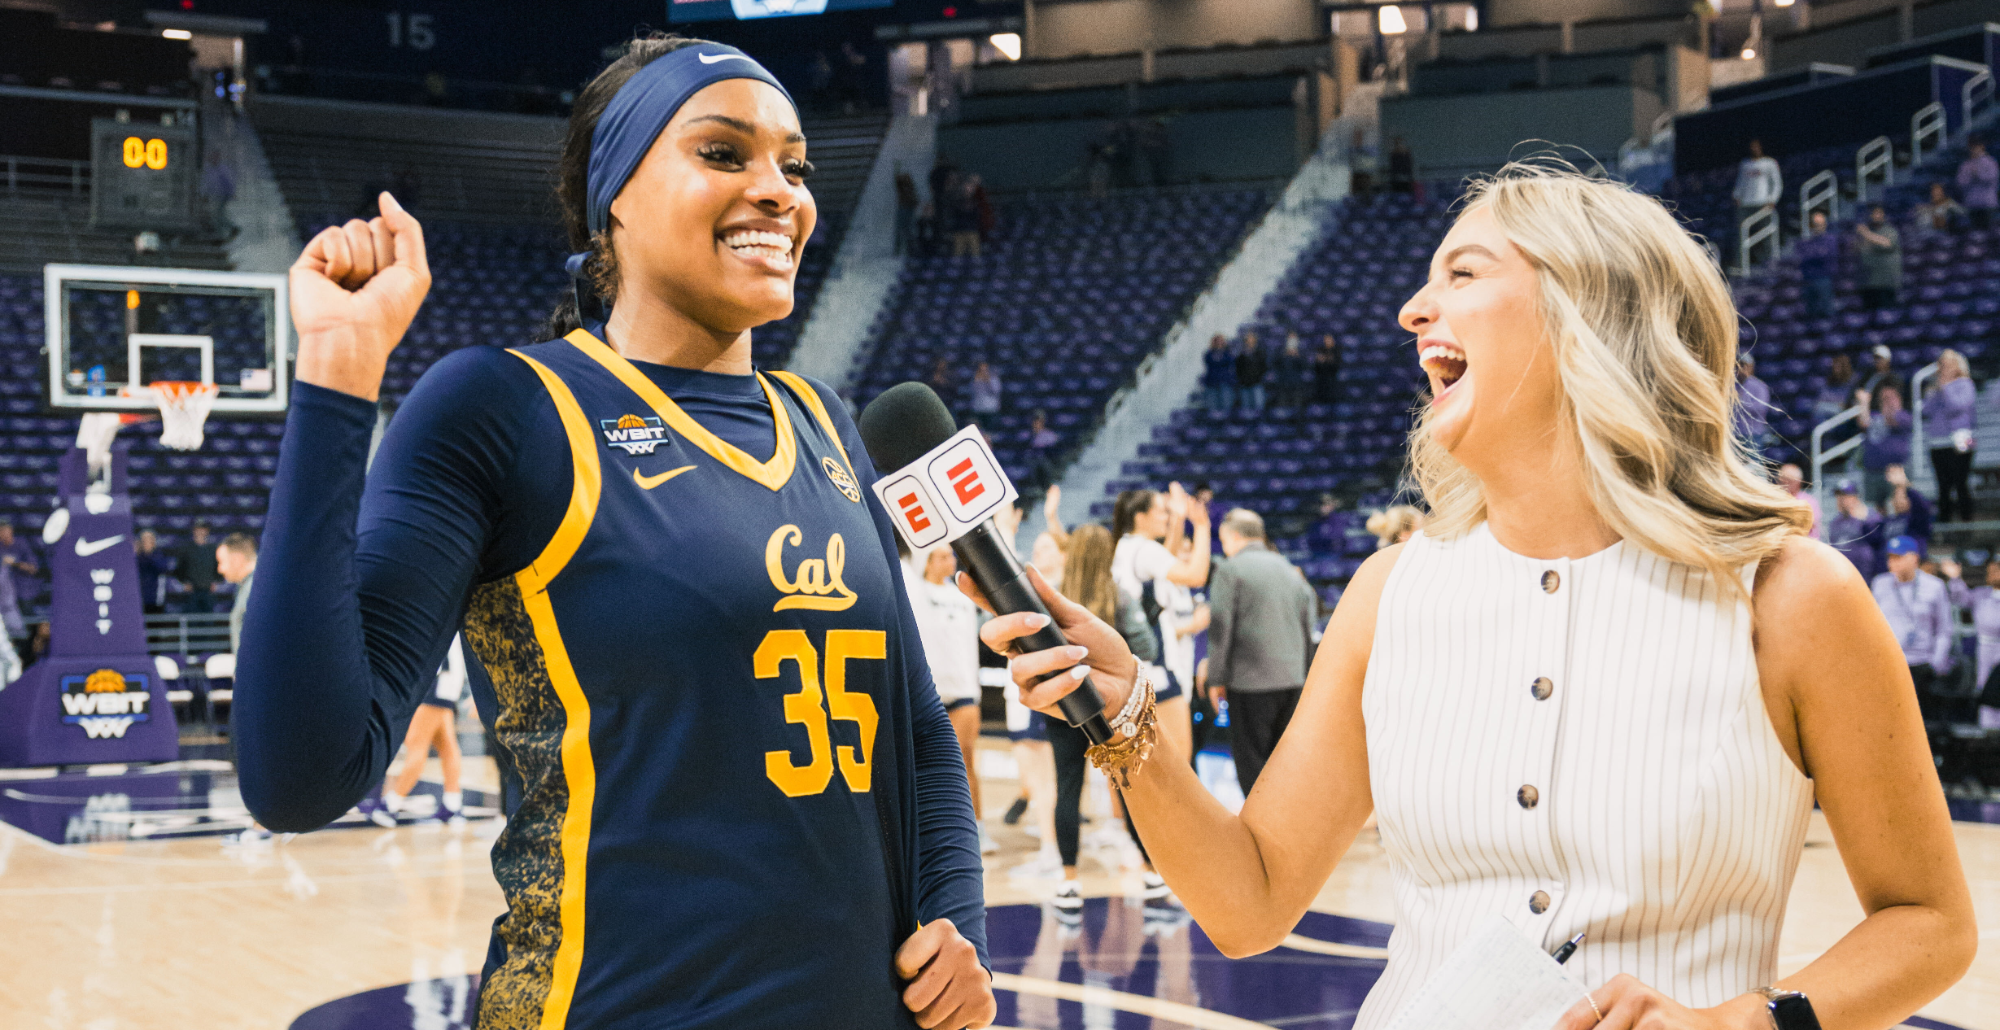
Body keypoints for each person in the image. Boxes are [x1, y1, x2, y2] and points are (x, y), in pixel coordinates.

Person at [973, 163, 1975, 1028]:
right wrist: (1125, 719)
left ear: (1589, 309)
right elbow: (1250, 903)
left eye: (1459, 274)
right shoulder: (1386, 595)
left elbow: (1929, 921)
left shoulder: (1792, 597)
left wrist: (1748, 1020)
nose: (1413, 309)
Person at [233, 34, 992, 1030]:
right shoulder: (504, 407)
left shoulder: (827, 424)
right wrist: (336, 374)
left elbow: (917, 730)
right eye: (723, 154)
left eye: (794, 165)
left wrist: (954, 923)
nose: (778, 191)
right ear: (613, 200)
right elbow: (298, 773)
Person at [1046, 523, 1161, 914]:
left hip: (1061, 706)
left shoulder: (1051, 600)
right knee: (1128, 786)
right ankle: (1149, 871)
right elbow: (1147, 646)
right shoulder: (1120, 596)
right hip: (1110, 708)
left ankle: (1068, 880)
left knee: (1066, 789)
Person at [1204, 509, 1314, 793]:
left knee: (1252, 763)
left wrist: (1215, 678)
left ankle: (1258, 832)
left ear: (1234, 536)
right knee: (1284, 762)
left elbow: (1220, 629)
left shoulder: (1230, 569)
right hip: (1292, 679)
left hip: (1251, 683)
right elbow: (1308, 624)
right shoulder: (1289, 569)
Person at [1110, 485, 1208, 791]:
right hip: (1157, 667)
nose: (1166, 517)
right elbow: (1195, 575)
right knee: (1179, 762)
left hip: (1136, 665)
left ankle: (1137, 833)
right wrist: (1202, 526)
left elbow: (1165, 558)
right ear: (1141, 516)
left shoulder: (1126, 546)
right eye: (1162, 511)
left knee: (1144, 762)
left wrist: (1178, 521)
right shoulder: (1144, 550)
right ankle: (1179, 836)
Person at [901, 542, 991, 854]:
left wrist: (975, 692)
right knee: (924, 764)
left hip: (964, 691)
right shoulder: (915, 593)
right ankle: (929, 830)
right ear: (926, 563)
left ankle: (977, 828)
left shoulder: (962, 597)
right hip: (929, 693)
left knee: (966, 761)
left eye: (951, 555)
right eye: (941, 556)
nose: (949, 560)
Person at [361, 634, 470, 827]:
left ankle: (391, 806)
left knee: (417, 745)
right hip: (448, 682)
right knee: (447, 747)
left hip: (438, 681)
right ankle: (453, 805)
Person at [1873, 535, 1957, 725]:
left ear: (1914, 559)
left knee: (1925, 722)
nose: (1892, 562)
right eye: (1890, 557)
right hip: (1892, 664)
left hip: (1923, 664)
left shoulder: (1934, 586)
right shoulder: (1880, 584)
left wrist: (1936, 663)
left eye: (1899, 557)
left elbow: (1944, 629)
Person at [1944, 556, 2000, 728]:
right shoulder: (1981, 594)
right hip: (1985, 650)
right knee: (1986, 691)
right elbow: (1961, 599)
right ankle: (1988, 731)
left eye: (1997, 569)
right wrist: (1955, 578)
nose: (1992, 573)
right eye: (1991, 570)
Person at [1924, 347, 1977, 523]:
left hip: (1963, 437)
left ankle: (1966, 518)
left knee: (1961, 481)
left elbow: (1957, 407)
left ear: (1956, 366)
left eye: (1946, 365)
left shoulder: (1965, 384)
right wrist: (1934, 392)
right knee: (1943, 485)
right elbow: (1927, 410)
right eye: (1941, 364)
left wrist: (1945, 388)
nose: (1943, 368)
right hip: (1938, 441)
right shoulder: (1936, 387)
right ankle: (1945, 519)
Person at [1858, 382, 1912, 509]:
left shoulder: (1904, 416)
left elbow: (1891, 420)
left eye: (1889, 397)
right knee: (1877, 509)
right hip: (1873, 470)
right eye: (1883, 398)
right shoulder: (1875, 416)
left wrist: (1889, 406)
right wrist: (1864, 403)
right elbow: (1863, 423)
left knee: (1899, 505)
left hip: (1895, 470)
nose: (1886, 401)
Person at [1826, 480, 1886, 580]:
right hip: (1842, 574)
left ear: (1855, 497)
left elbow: (1879, 542)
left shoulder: (1869, 515)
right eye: (1838, 496)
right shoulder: (1835, 522)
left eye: (1844, 496)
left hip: (1866, 574)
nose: (1840, 500)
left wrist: (1864, 521)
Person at [1855, 205, 1902, 310]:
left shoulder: (1890, 231)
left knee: (1886, 316)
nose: (1876, 216)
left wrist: (1866, 233)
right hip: (1868, 283)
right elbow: (1856, 249)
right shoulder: (1866, 233)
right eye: (1874, 213)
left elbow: (1886, 243)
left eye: (1879, 213)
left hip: (1886, 283)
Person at [1795, 209, 1839, 319]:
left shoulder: (1830, 239)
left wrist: (1813, 253)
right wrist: (1815, 252)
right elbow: (1802, 256)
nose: (1818, 227)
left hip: (1824, 279)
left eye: (1821, 224)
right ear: (1811, 225)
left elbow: (1824, 255)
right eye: (1815, 224)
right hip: (1808, 280)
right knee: (1810, 312)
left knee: (1827, 310)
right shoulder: (1807, 241)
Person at [1732, 138, 1782, 235]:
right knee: (1741, 233)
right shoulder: (1745, 164)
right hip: (1746, 203)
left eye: (1756, 146)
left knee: (1766, 232)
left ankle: (1768, 250)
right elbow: (1740, 181)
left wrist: (1773, 200)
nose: (1754, 149)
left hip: (1763, 203)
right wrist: (1736, 195)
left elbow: (1776, 183)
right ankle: (1741, 251)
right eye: (1752, 146)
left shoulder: (1770, 163)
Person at [217, 532, 257, 653]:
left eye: (221, 562)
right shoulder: (246, 586)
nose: (220, 569)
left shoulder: (260, 588)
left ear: (237, 559)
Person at [1879, 464, 1933, 549]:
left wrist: (1904, 483)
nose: (1900, 501)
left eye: (1903, 497)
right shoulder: (1888, 521)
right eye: (1896, 497)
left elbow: (1922, 506)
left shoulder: (1917, 520)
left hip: (1912, 556)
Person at [174, 522, 218, 613]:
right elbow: (179, 569)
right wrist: (184, 582)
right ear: (194, 531)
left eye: (203, 529)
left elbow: (218, 566)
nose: (201, 532)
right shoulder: (186, 549)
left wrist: (216, 581)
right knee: (192, 618)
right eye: (198, 529)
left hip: (208, 589)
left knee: (208, 619)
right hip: (192, 590)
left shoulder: (213, 549)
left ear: (207, 531)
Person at [0, 521, 41, 617]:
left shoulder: (22, 545)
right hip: (4, 594)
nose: (2, 533)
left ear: (11, 530)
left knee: (26, 618)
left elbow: (33, 568)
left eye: (4, 530)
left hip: (23, 592)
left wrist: (15, 563)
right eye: (0, 531)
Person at [1957, 138, 1997, 230]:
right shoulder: (1966, 165)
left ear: (1982, 147)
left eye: (1976, 147)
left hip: (1987, 204)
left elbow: (1991, 179)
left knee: (1989, 233)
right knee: (1975, 235)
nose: (1973, 149)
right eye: (1972, 147)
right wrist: (1970, 176)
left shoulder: (1990, 162)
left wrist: (1978, 174)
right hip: (1972, 204)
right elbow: (1960, 183)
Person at [1735, 355, 1774, 449]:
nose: (1742, 369)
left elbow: (1761, 408)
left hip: (1753, 433)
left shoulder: (1759, 386)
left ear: (1751, 367)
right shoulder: (1732, 384)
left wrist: (1740, 401)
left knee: (1753, 462)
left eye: (1745, 366)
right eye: (1740, 366)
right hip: (1734, 433)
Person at [1776, 463, 1819, 536]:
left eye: (1788, 480)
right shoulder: (1776, 499)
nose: (1784, 484)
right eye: (1781, 480)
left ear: (1798, 482)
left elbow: (1809, 524)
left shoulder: (1808, 501)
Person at [134, 529, 169, 614]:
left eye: (149, 539)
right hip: (138, 597)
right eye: (144, 540)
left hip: (155, 599)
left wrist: (148, 554)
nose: (147, 542)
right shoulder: (137, 557)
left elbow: (161, 568)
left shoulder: (159, 555)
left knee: (155, 623)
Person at [1272, 333, 1309, 410]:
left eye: (1293, 339)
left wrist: (1297, 356)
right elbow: (1274, 364)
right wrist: (1284, 355)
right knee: (1282, 407)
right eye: (1290, 339)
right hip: (1283, 383)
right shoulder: (1280, 351)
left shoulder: (1301, 352)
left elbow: (1305, 366)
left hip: (1296, 384)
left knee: (1297, 406)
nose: (1291, 341)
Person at [1233, 331, 1267, 413]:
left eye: (1251, 340)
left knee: (1259, 408)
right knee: (1246, 409)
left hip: (1256, 383)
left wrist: (1258, 377)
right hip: (1244, 384)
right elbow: (1238, 368)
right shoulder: (1241, 355)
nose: (1249, 342)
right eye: (1248, 340)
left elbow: (1264, 367)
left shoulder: (1260, 353)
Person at [1202, 334, 1235, 412]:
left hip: (1225, 382)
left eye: (1221, 341)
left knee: (1226, 404)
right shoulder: (1208, 354)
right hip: (1212, 382)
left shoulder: (1228, 353)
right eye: (1217, 341)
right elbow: (1209, 363)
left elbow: (1229, 362)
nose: (1219, 343)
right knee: (1212, 405)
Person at [893, 168, 919, 255]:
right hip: (904, 209)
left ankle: (906, 249)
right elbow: (897, 179)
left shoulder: (910, 189)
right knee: (902, 231)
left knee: (906, 231)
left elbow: (915, 201)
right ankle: (899, 249)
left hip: (907, 209)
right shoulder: (903, 188)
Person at [1311, 333, 1341, 404]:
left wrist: (1326, 360)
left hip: (1332, 379)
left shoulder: (1336, 351)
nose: (1327, 341)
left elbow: (1336, 365)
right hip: (1322, 379)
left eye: (1329, 340)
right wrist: (1322, 361)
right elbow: (1316, 367)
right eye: (1326, 340)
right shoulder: (1320, 350)